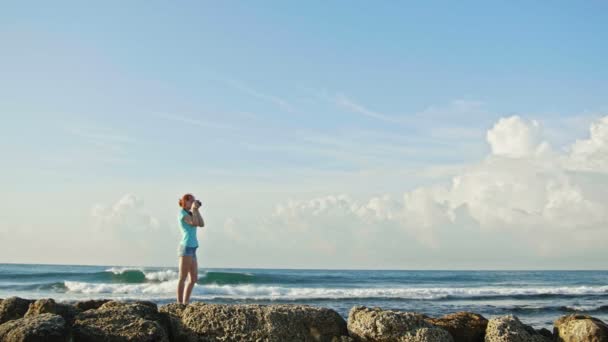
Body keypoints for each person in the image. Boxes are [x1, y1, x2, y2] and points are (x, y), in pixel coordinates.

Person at [176, 193, 205, 304]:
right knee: (182, 277)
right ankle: (179, 303)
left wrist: (196, 210)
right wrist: (194, 210)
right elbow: (194, 223)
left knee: (193, 279)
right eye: (191, 200)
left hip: (193, 248)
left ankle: (186, 302)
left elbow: (201, 224)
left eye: (194, 200)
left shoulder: (191, 213)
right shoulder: (182, 214)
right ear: (185, 201)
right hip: (186, 247)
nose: (193, 202)